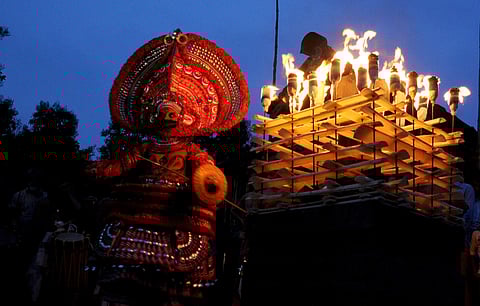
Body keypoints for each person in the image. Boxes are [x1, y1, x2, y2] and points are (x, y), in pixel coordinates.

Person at [266, 32, 336, 119]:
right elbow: (295, 81)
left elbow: (317, 95)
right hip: (304, 113)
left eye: (312, 54)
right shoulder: (310, 63)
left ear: (318, 50)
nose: (311, 58)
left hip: (324, 113)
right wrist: (279, 101)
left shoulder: (335, 64)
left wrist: (288, 107)